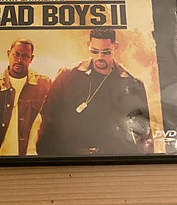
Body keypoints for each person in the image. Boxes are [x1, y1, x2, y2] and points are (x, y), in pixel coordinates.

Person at [36, 28, 152, 156]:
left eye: (106, 52)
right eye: (94, 51)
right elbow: (47, 116)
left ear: (115, 46)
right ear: (88, 45)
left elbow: (143, 130)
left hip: (113, 159)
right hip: (69, 156)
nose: (100, 57)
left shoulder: (132, 84)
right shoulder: (67, 76)